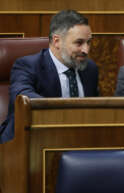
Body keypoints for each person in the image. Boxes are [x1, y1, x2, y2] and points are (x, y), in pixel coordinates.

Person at [0, 10, 99, 143]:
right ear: (57, 41)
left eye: (89, 42)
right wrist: (65, 113)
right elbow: (23, 98)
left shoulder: (90, 68)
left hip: (76, 143)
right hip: (27, 142)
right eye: (79, 43)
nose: (86, 50)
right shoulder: (28, 66)